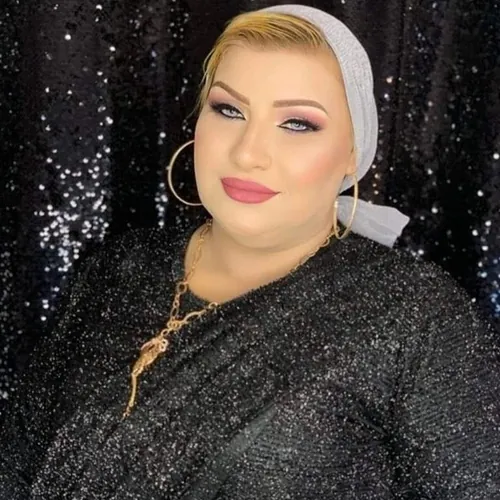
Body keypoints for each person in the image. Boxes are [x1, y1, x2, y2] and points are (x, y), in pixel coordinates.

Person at [0, 4, 499, 499]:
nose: (247, 153)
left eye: (298, 124)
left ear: (354, 152)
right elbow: (17, 459)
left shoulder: (415, 316)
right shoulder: (120, 268)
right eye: (229, 110)